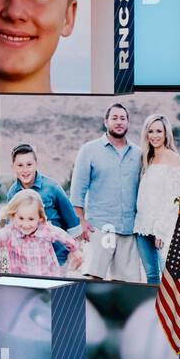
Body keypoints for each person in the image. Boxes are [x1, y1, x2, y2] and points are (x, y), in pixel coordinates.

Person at [71, 103, 144, 282]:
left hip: (128, 229)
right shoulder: (89, 150)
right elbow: (78, 189)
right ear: (106, 121)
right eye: (114, 118)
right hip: (100, 227)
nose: (119, 122)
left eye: (123, 118)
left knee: (125, 285)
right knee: (92, 279)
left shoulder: (138, 153)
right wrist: (80, 221)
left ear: (128, 123)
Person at [5, 144, 82, 270]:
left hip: (57, 258)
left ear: (36, 164)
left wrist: (75, 250)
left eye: (29, 165)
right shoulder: (12, 194)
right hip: (27, 259)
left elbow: (72, 222)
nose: (25, 170)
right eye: (20, 165)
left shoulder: (52, 187)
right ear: (13, 166)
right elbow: (12, 228)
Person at [132, 114, 180, 284]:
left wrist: (161, 229)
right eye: (150, 131)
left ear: (166, 133)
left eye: (159, 131)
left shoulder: (172, 157)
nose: (154, 135)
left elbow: (175, 198)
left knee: (169, 276)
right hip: (142, 226)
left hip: (163, 228)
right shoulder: (147, 158)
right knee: (152, 276)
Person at [0, 189, 81, 277]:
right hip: (22, 279)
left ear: (40, 218)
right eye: (21, 218)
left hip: (47, 276)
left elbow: (62, 236)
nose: (26, 225)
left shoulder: (45, 230)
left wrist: (75, 250)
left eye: (31, 219)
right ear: (13, 216)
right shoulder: (10, 233)